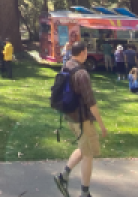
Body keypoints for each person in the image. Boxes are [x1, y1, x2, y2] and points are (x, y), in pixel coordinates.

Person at [54, 41, 108, 197]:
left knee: (84, 148)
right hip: (82, 120)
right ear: (84, 52)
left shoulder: (67, 66)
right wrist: (102, 125)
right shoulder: (81, 73)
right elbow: (91, 102)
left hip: (70, 116)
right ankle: (85, 192)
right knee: (88, 154)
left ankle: (63, 176)